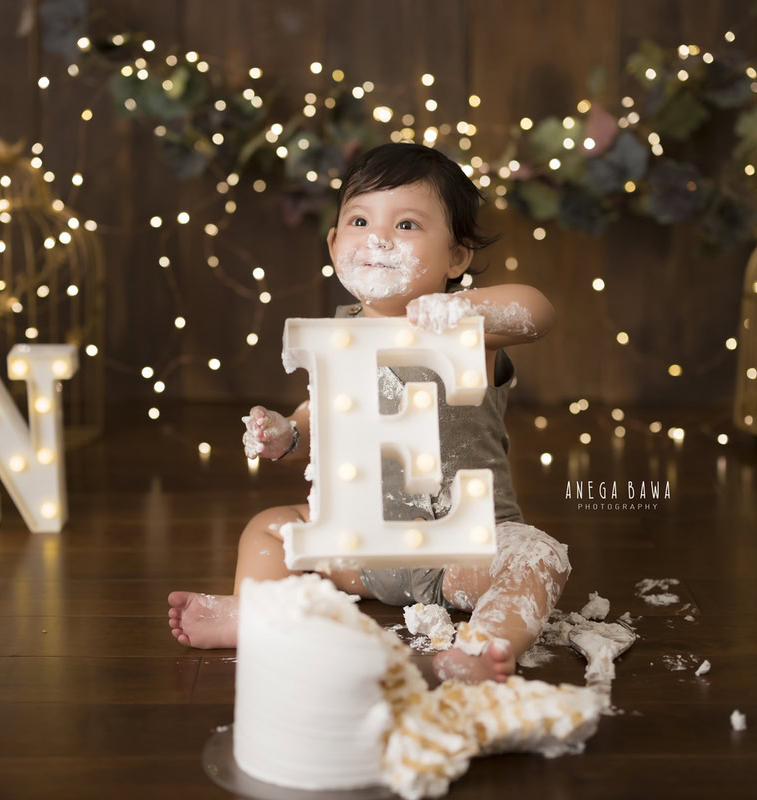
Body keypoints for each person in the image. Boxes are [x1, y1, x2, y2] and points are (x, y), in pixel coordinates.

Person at [168, 142, 570, 683]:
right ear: (335, 245)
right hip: (357, 546)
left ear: (456, 256)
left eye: (406, 225)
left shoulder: (470, 330)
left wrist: (464, 308)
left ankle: (487, 643)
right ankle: (255, 613)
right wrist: (288, 435)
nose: (378, 238)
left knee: (537, 556)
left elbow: (537, 313)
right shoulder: (341, 335)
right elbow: (324, 422)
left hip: (460, 549)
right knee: (270, 530)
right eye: (360, 220)